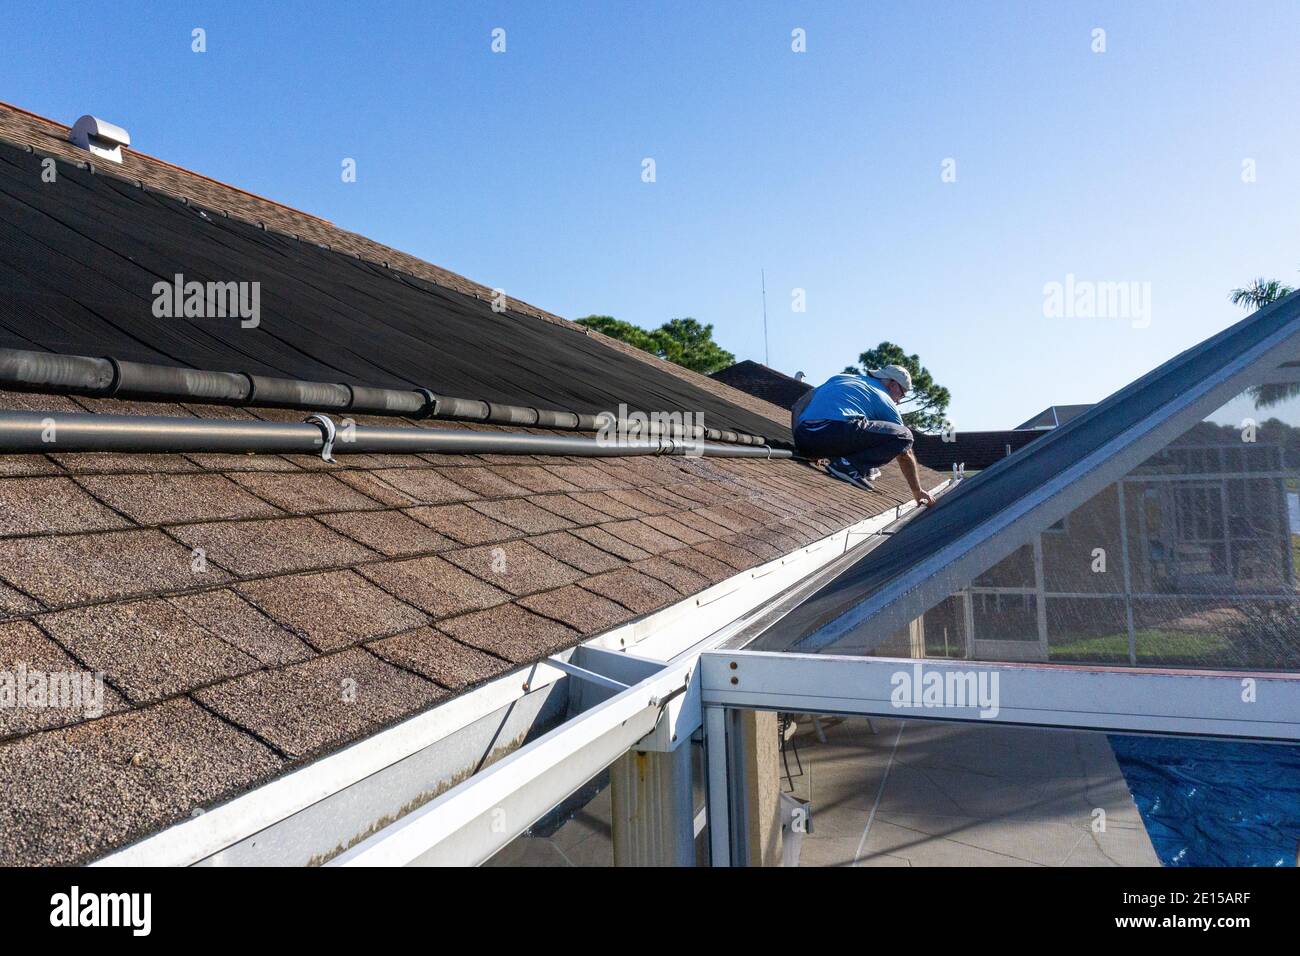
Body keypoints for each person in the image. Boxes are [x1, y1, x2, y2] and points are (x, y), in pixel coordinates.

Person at [791, 364, 934, 506]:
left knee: (861, 424)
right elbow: (905, 452)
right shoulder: (884, 397)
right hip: (832, 431)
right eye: (902, 394)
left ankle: (846, 462)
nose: (899, 400)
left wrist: (800, 442)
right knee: (905, 435)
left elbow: (798, 406)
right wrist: (917, 491)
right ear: (893, 384)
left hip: (805, 437)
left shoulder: (842, 378)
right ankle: (847, 465)